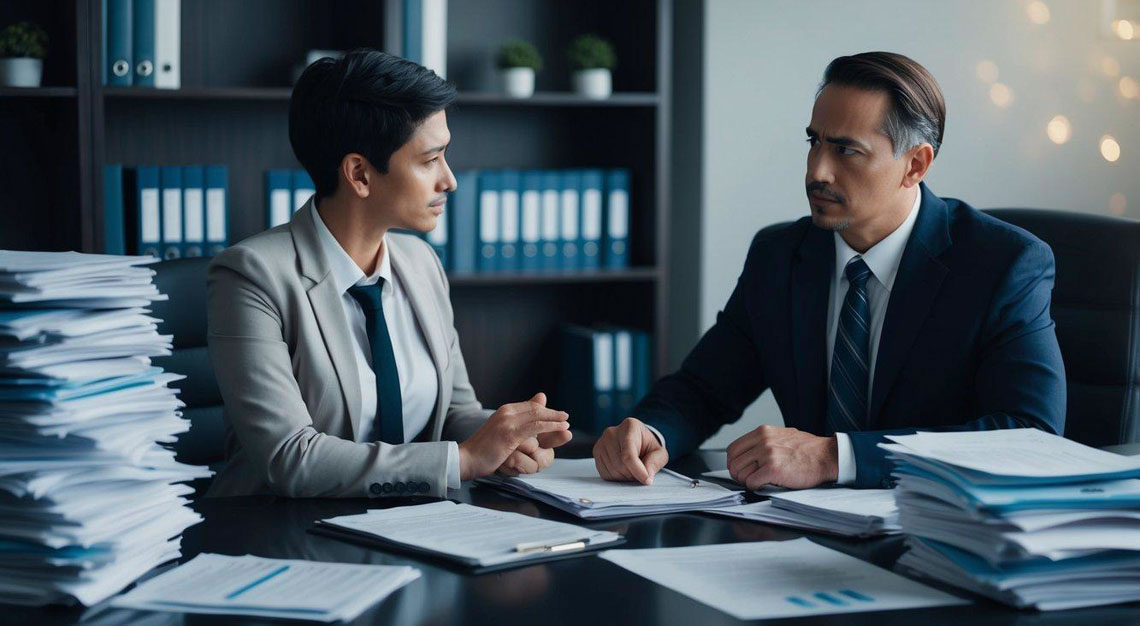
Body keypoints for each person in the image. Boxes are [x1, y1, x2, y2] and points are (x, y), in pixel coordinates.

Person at [593, 51, 1065, 490]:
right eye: (814, 141)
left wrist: (836, 458)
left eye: (846, 151)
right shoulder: (780, 255)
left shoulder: (1003, 265)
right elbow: (704, 388)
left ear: (915, 165)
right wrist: (652, 431)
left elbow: (1029, 434)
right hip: (801, 535)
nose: (817, 171)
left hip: (940, 535)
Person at [206, 49, 571, 498]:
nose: (450, 180)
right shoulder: (251, 277)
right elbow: (290, 457)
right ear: (359, 174)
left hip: (413, 525)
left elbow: (455, 414)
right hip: (286, 535)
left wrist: (508, 435)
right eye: (429, 160)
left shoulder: (420, 263)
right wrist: (466, 459)